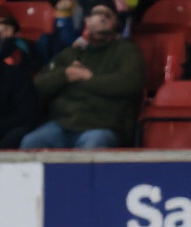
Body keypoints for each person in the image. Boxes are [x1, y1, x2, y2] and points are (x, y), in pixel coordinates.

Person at [19, 0, 144, 150]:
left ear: (116, 22)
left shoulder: (126, 51)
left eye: (108, 15)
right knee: (31, 142)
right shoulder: (71, 53)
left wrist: (87, 79)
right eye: (97, 14)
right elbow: (38, 85)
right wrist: (65, 75)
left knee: (92, 146)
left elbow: (130, 83)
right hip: (62, 124)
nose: (102, 18)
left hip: (103, 125)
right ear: (87, 20)